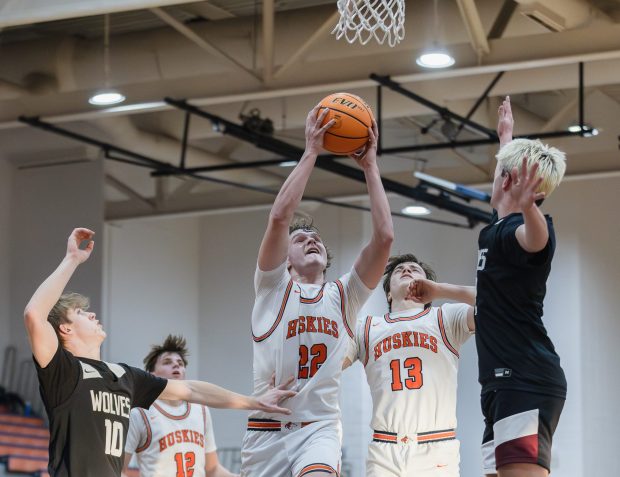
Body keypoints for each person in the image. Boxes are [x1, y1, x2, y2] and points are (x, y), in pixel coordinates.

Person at [24, 228, 296, 477]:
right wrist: (72, 259)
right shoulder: (64, 371)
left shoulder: (125, 375)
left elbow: (191, 390)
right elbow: (35, 314)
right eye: (80, 313)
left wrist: (253, 401)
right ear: (65, 330)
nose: (91, 313)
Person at [239, 104, 394, 477]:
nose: (311, 239)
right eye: (301, 238)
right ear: (285, 261)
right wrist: (311, 151)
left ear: (326, 258)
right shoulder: (272, 287)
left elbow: (384, 237)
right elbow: (279, 217)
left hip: (319, 428)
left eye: (317, 238)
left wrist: (370, 167)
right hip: (267, 430)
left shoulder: (345, 296)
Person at [418, 97, 567, 477]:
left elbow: (536, 239)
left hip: (525, 379)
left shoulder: (527, 229)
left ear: (508, 181)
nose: (497, 172)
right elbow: (487, 296)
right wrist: (506, 137)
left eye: (502, 168)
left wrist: (530, 205)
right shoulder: (496, 226)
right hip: (501, 385)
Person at [344, 254, 475, 476]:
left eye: (414, 269)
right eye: (399, 270)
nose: (406, 270)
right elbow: (328, 367)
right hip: (384, 448)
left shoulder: (445, 317)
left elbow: (494, 299)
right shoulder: (365, 327)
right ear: (387, 292)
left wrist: (441, 290)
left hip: (436, 444)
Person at [124, 335, 237, 477]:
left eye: (180, 363)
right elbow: (119, 470)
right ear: (151, 375)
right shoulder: (139, 413)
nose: (176, 365)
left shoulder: (201, 410)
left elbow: (213, 469)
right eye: (167, 362)